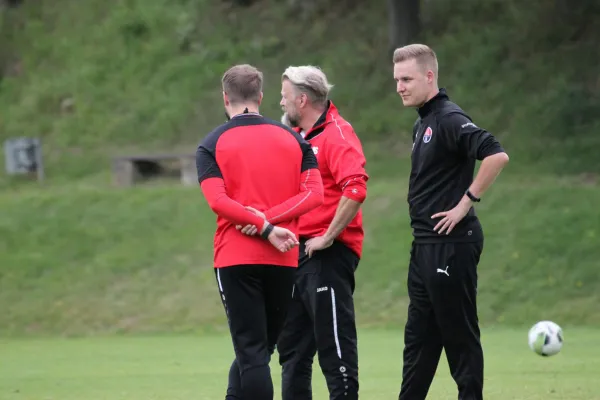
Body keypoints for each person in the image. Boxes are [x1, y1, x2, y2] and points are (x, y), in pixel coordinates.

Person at [195, 64, 324, 400]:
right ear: (261, 96)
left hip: (235, 257)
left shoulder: (211, 143)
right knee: (258, 352)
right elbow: (314, 194)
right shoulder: (294, 139)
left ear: (225, 97)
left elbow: (217, 201)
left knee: (252, 354)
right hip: (282, 258)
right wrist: (269, 224)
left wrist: (262, 224)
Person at [240, 65, 369, 400]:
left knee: (334, 346)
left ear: (302, 98)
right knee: (293, 353)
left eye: (284, 98)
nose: (280, 104)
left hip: (326, 255)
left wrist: (328, 236)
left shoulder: (337, 134)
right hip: (294, 255)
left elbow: (354, 189)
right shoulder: (296, 139)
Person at [392, 44, 510, 400]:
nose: (400, 86)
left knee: (459, 338)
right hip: (425, 245)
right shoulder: (424, 123)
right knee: (419, 341)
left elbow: (495, 154)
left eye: (407, 79)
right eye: (396, 79)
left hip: (451, 244)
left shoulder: (447, 118)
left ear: (430, 77)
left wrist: (466, 203)